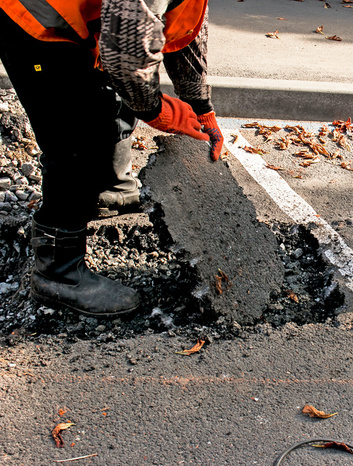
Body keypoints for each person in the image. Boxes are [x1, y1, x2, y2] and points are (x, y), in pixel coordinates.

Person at [0, 0, 224, 316]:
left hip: (73, 16)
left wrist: (201, 106)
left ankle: (107, 190)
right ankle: (57, 273)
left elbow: (184, 25)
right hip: (31, 17)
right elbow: (126, 54)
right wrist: (156, 109)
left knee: (109, 99)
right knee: (73, 136)